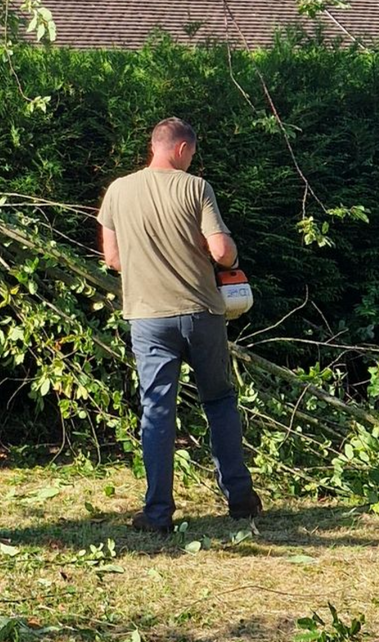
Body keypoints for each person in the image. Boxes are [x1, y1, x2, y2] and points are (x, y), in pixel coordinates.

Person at [98, 117, 262, 534]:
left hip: (147, 317)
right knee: (219, 401)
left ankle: (156, 514)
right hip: (201, 313)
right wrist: (230, 256)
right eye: (191, 152)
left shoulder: (117, 190)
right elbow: (222, 251)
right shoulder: (195, 187)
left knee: (156, 410)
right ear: (181, 149)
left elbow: (113, 258)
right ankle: (240, 500)